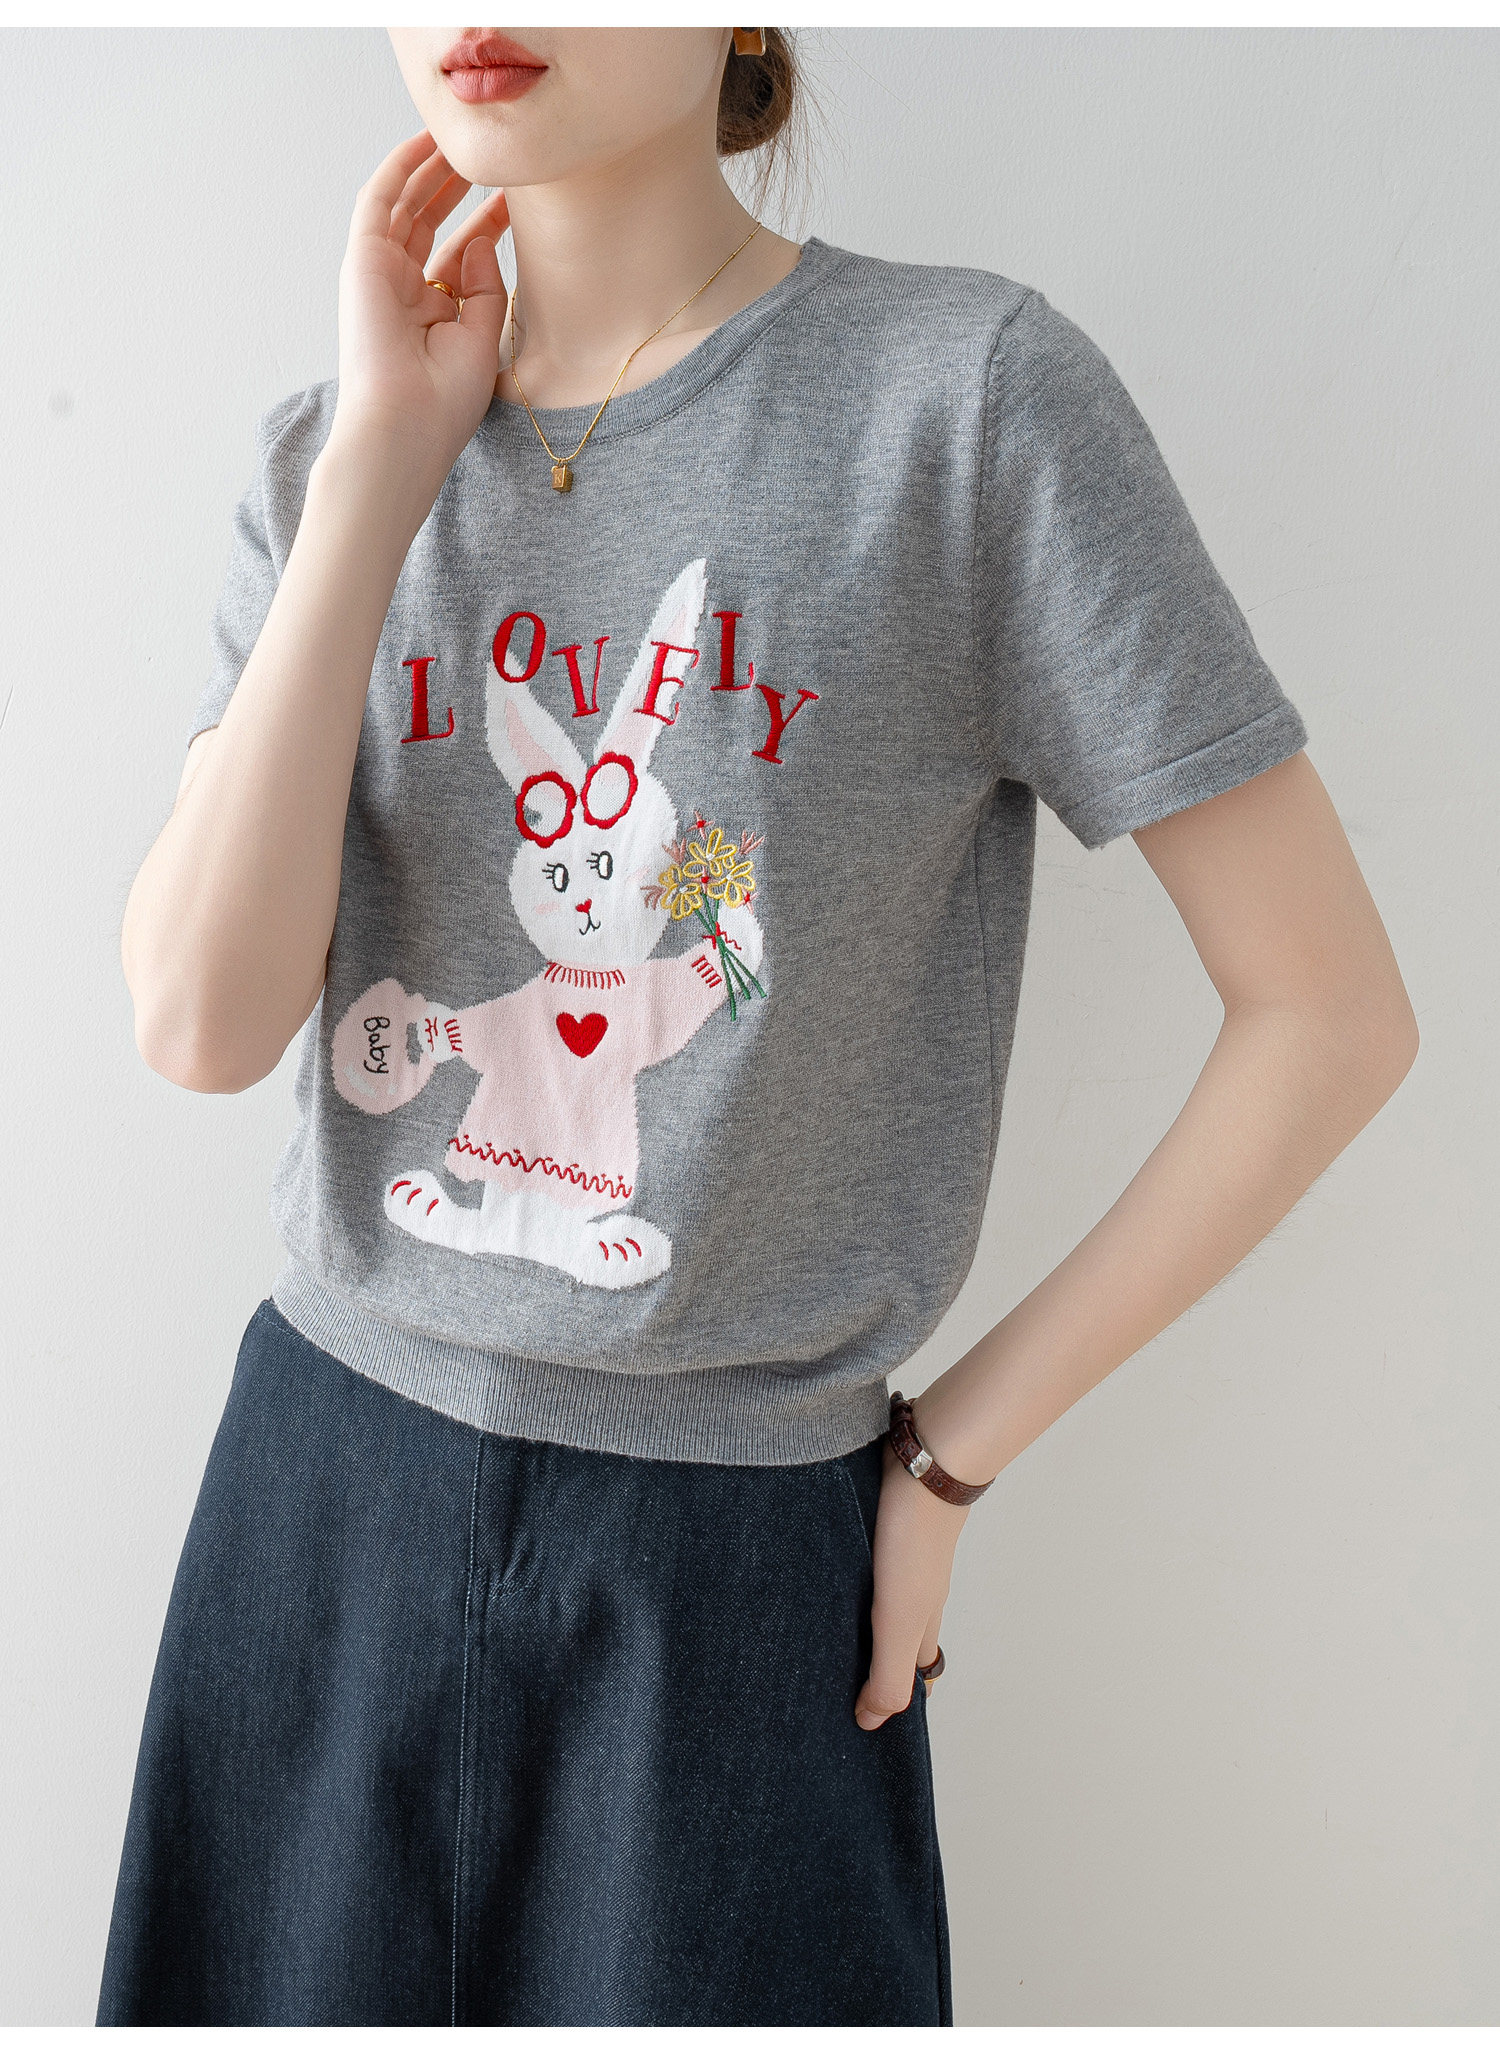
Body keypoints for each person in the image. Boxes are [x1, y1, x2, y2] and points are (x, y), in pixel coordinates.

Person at [96, 25, 1418, 2029]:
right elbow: (201, 1022)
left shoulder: (964, 404)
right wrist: (380, 464)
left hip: (728, 1568)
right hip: (319, 1508)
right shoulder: (321, 455)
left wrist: (947, 1461)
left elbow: (1329, 1014)